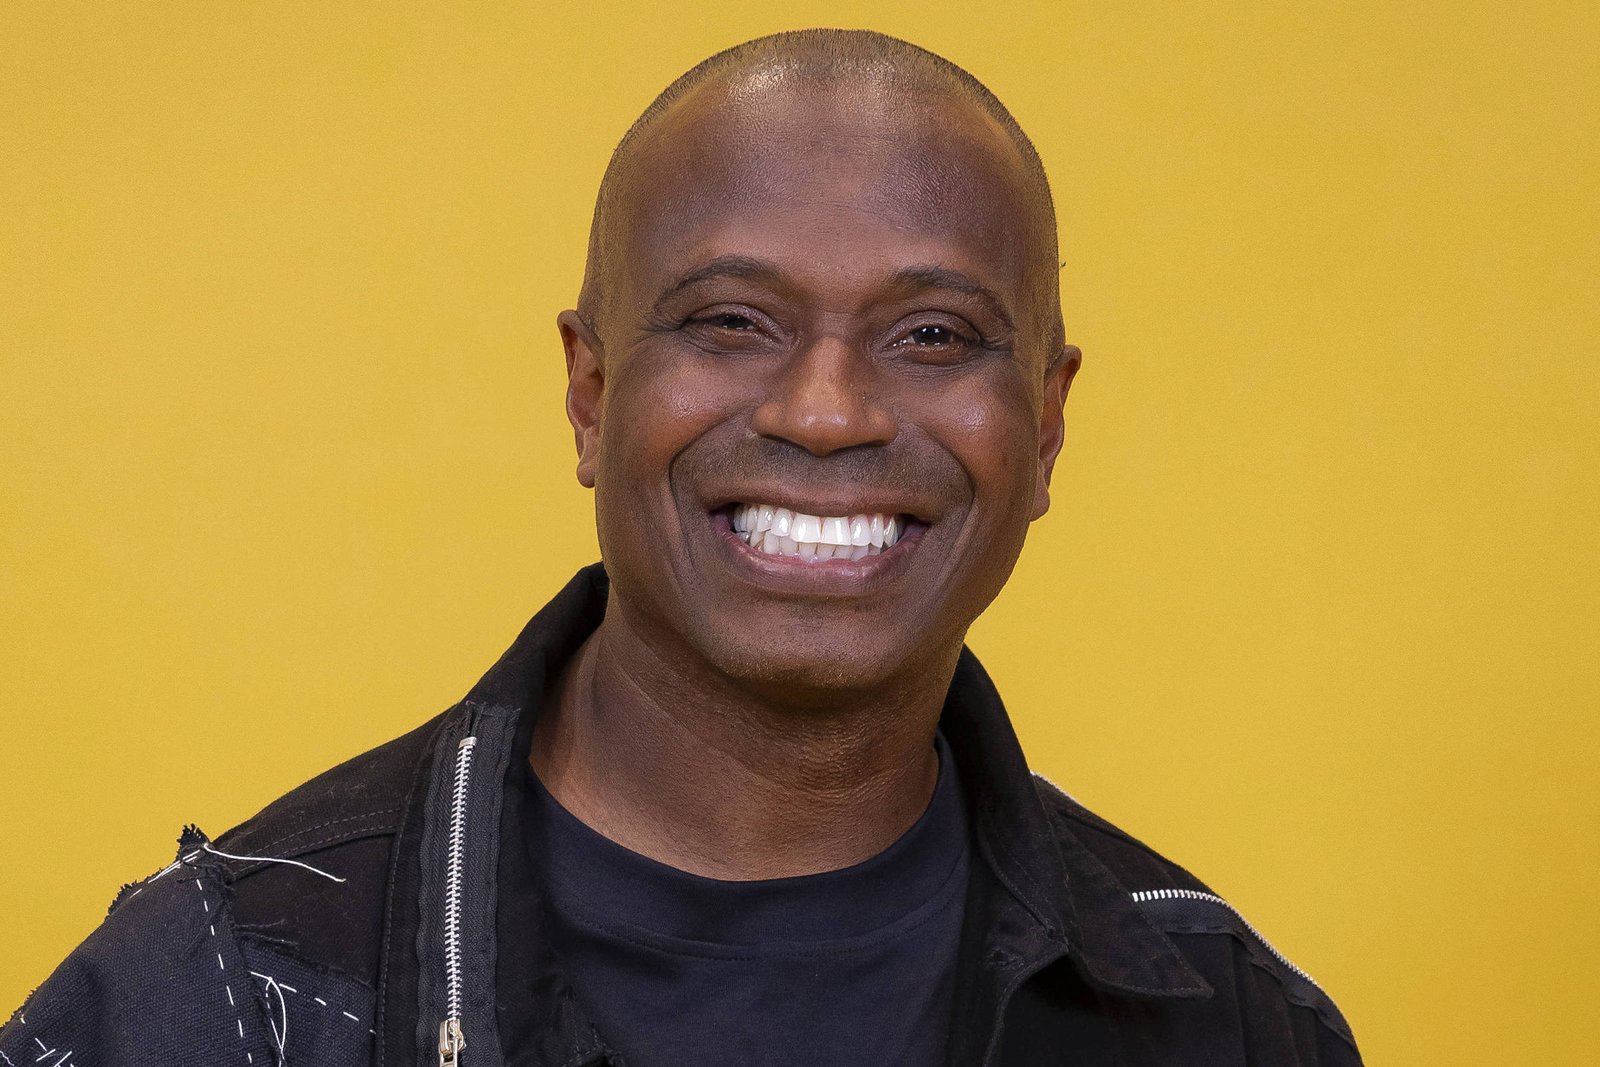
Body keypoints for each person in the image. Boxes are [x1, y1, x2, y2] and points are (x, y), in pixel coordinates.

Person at [1, 28, 1361, 1067]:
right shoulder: (224, 997)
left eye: (933, 335)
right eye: (730, 322)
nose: (825, 411)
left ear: (1047, 423)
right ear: (590, 394)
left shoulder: (1231, 1023)